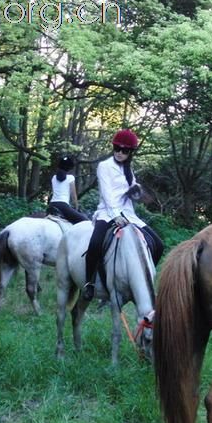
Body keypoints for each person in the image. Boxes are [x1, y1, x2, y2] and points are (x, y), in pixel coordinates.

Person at [81, 129, 164, 301]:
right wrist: (115, 215)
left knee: (158, 244)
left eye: (124, 150)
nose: (119, 153)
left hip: (128, 214)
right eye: (117, 148)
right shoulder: (104, 166)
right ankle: (89, 283)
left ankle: (144, 279)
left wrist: (138, 192)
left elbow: (132, 190)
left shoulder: (128, 170)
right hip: (107, 212)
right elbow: (107, 194)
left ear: (130, 153)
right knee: (95, 243)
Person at [47, 156, 88, 224]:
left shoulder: (54, 178)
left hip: (52, 205)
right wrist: (76, 206)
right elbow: (73, 195)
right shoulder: (70, 178)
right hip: (63, 206)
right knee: (85, 221)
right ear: (69, 168)